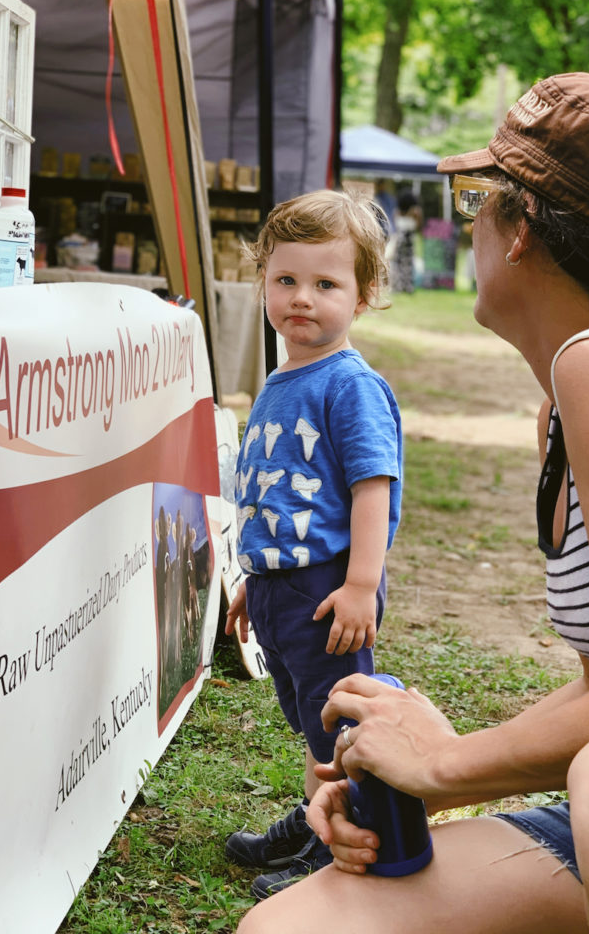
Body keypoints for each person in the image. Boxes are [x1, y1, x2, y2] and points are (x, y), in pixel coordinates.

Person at [236, 72, 589, 932]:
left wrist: (448, 767)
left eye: (480, 196)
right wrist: (423, 758)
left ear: (518, 231)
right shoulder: (575, 391)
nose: (470, 219)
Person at [224, 189, 403, 901]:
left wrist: (361, 584)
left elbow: (372, 488)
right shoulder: (281, 378)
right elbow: (280, 492)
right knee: (309, 716)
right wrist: (255, 580)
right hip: (282, 586)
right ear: (263, 282)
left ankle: (341, 841)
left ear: (363, 296)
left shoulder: (349, 385)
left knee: (335, 722)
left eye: (326, 284)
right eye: (286, 280)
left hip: (328, 583)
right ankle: (312, 819)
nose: (303, 299)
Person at [390, 188, 423, 293]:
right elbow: (418, 226)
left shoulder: (398, 212)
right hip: (408, 240)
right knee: (407, 264)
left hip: (401, 239)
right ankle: (407, 286)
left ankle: (399, 286)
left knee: (399, 264)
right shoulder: (413, 213)